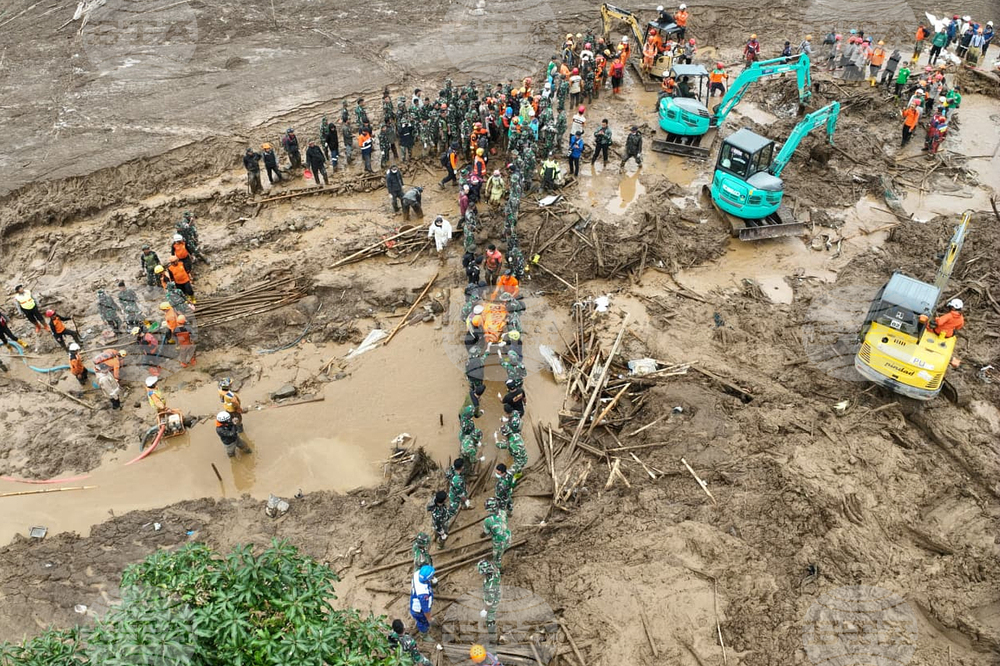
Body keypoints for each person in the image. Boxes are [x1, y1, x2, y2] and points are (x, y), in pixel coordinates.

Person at [482, 498, 511, 567]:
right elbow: (505, 522)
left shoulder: (487, 520)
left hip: (499, 541)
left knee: (496, 556)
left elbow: (486, 532)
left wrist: (482, 535)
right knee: (505, 545)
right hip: (507, 536)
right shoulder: (503, 512)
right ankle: (505, 549)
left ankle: (498, 566)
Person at [477, 560, 502, 637]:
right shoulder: (495, 570)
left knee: (490, 619)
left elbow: (490, 601)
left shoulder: (490, 585)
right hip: (496, 592)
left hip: (493, 600)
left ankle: (493, 637)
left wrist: (485, 610)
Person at [409, 565, 436, 634]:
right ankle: (424, 633)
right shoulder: (423, 594)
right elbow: (425, 609)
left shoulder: (417, 574)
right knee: (423, 621)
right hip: (418, 611)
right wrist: (429, 619)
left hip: (415, 598)